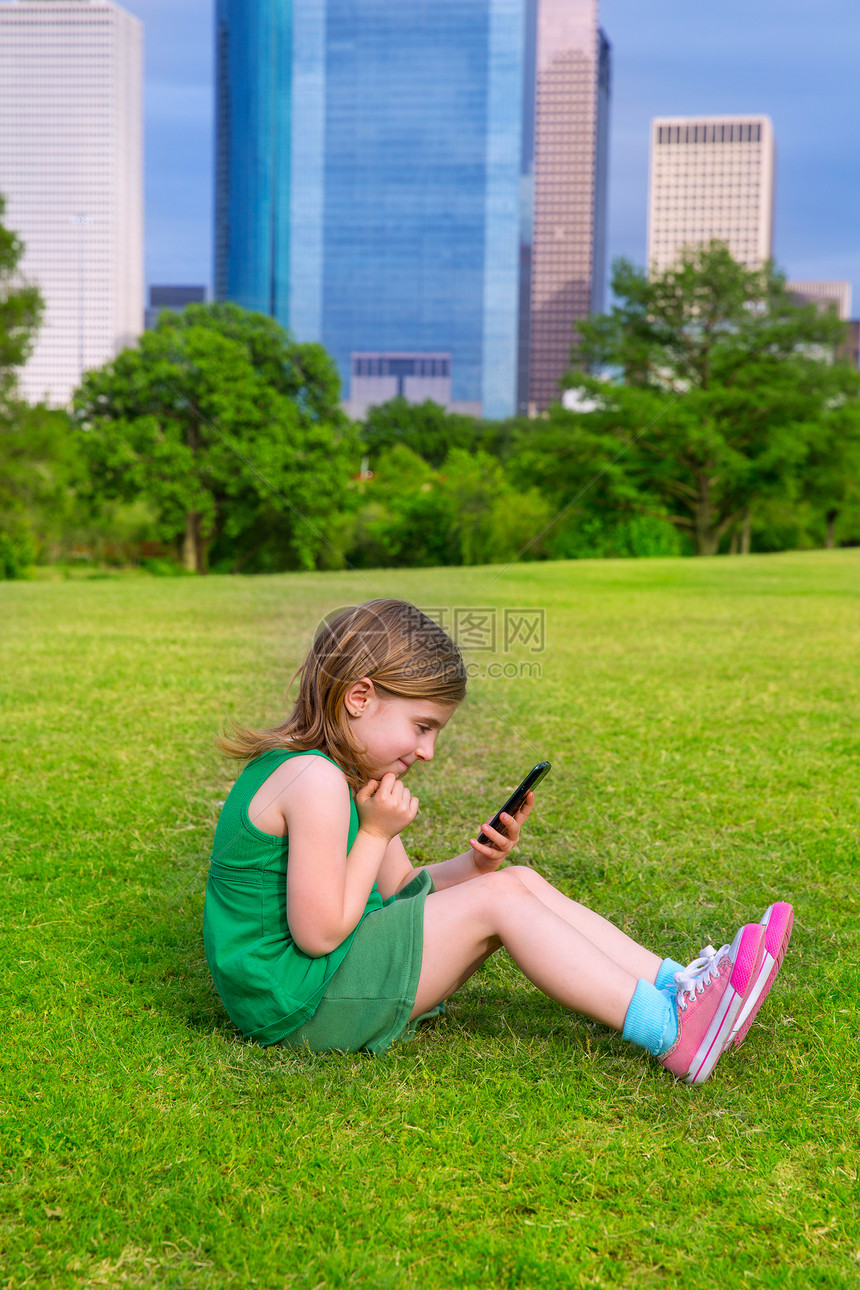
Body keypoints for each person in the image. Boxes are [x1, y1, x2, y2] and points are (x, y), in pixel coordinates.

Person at [203, 599, 793, 1084]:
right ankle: (670, 1032)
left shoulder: (345, 777)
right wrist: (377, 832)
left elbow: (404, 891)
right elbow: (319, 932)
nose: (428, 751)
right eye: (421, 726)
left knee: (515, 881)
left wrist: (474, 863)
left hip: (317, 987)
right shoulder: (314, 781)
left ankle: (678, 986)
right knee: (501, 901)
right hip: (296, 1008)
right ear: (360, 698)